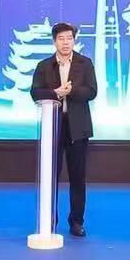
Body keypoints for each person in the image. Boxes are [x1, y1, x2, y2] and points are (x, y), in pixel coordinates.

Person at [30, 22, 97, 236]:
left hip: (78, 126)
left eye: (69, 38)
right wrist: (55, 93)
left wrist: (71, 91)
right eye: (61, 38)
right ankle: (49, 219)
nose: (65, 42)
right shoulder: (44, 65)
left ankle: (76, 221)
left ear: (74, 40)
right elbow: (35, 93)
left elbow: (92, 91)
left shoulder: (85, 63)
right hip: (53, 126)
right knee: (50, 175)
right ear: (54, 41)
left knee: (78, 176)